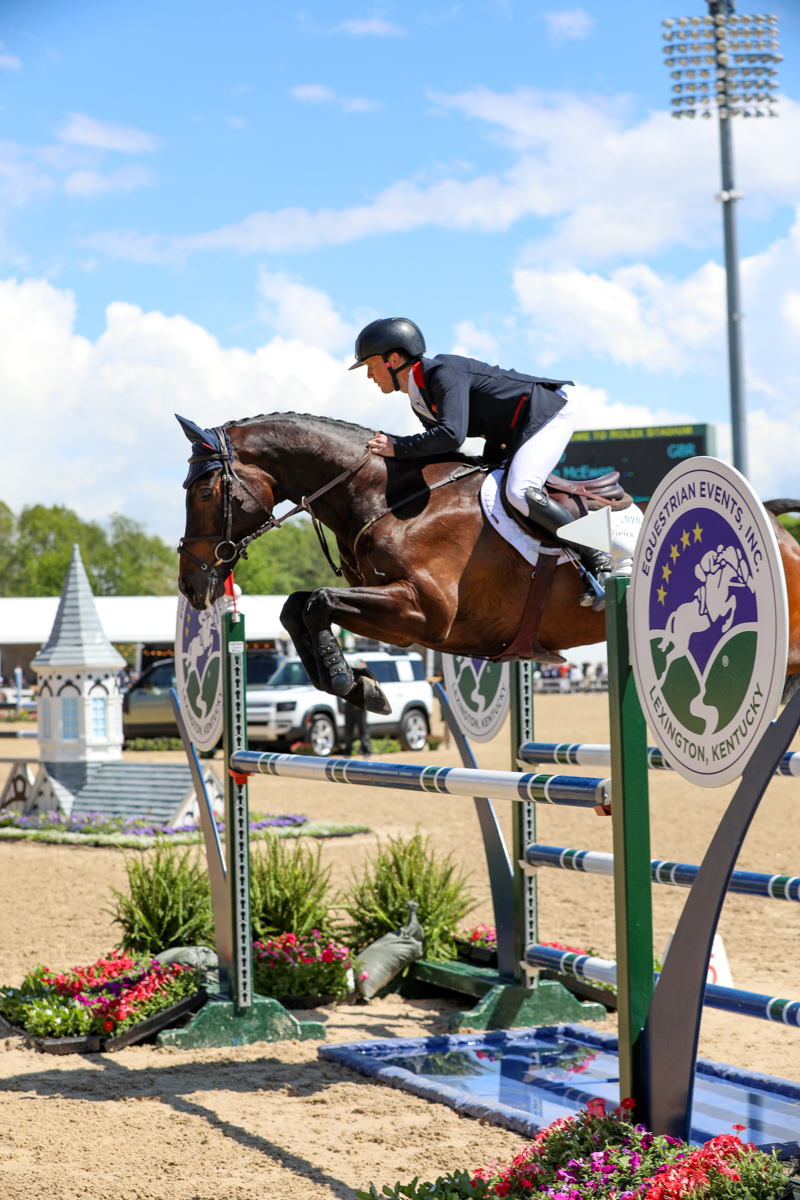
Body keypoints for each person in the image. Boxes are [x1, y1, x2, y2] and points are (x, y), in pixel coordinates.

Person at [350, 317, 610, 605]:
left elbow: (451, 435)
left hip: (545, 411)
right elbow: (438, 451)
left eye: (371, 364)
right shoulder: (418, 396)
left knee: (520, 491)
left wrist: (398, 446)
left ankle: (598, 560)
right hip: (506, 432)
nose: (369, 375)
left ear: (393, 359)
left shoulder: (440, 373)